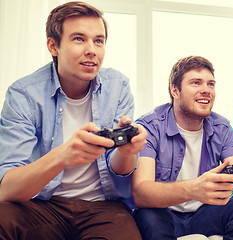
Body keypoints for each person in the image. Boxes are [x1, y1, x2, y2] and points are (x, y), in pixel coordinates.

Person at [0, 1, 147, 239]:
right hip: (42, 205)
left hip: (104, 207)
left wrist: (128, 152)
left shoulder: (118, 86)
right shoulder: (24, 94)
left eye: (98, 40)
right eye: (79, 39)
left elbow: (121, 169)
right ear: (53, 46)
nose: (92, 50)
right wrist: (62, 156)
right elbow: (7, 189)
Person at [132, 56, 233, 240]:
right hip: (163, 213)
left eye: (211, 84)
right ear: (175, 90)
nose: (206, 90)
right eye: (196, 83)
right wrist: (193, 188)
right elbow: (141, 193)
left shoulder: (222, 127)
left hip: (205, 213)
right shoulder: (149, 127)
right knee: (148, 215)